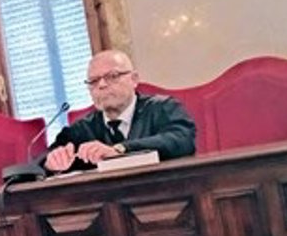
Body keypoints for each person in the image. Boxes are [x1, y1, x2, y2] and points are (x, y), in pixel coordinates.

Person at [44, 49, 196, 173]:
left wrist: (121, 149)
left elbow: (182, 140)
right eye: (94, 81)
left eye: (112, 76)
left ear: (134, 79)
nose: (102, 85)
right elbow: (39, 164)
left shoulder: (162, 108)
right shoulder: (82, 129)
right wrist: (52, 163)